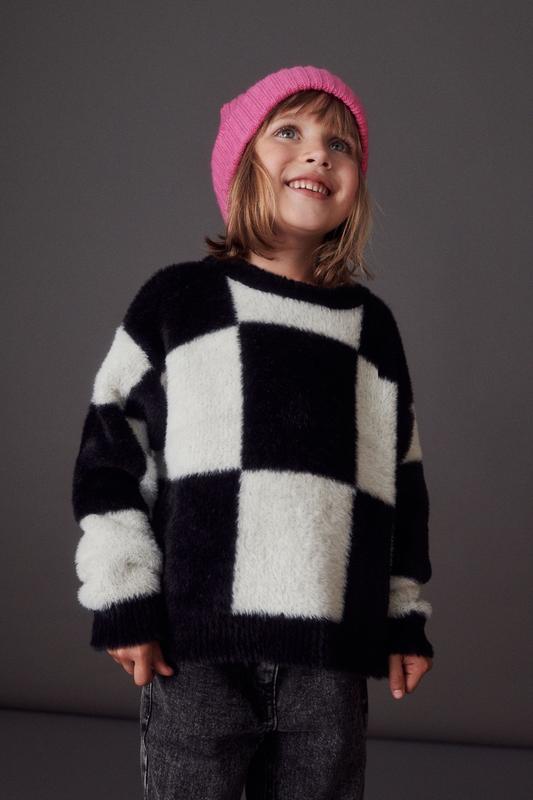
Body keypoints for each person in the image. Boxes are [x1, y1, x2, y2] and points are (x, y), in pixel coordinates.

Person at [71, 64, 434, 799]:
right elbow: (111, 459)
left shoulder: (371, 330)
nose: (318, 153)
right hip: (195, 647)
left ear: (355, 186)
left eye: (341, 145)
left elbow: (399, 483)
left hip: (329, 655)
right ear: (241, 162)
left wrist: (402, 617)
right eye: (289, 132)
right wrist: (122, 593)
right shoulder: (179, 302)